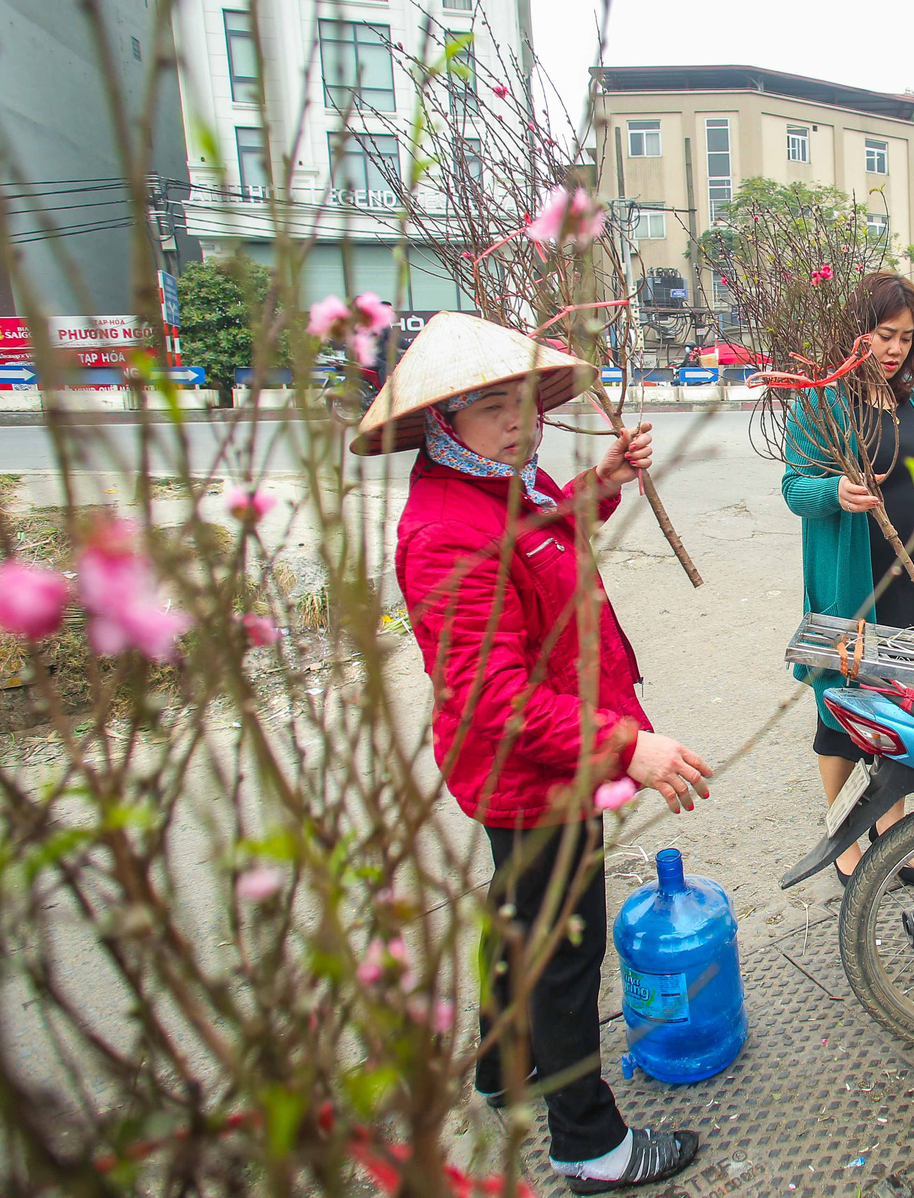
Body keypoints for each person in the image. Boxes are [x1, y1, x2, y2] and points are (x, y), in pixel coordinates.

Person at [361, 312, 708, 1194]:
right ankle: (590, 1144)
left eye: (522, 401)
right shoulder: (446, 528)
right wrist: (630, 745)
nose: (517, 422)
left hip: (545, 767)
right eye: (487, 407)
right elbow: (494, 700)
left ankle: (499, 1071)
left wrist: (601, 480)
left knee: (521, 927)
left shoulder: (500, 481)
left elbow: (549, 529)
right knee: (563, 955)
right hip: (535, 774)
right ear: (442, 420)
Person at [782, 272, 914, 886]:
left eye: (906, 338)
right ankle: (844, 838)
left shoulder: (911, 400)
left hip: (909, 577)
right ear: (856, 332)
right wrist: (836, 492)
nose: (895, 350)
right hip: (854, 583)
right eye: (884, 335)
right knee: (841, 709)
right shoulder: (823, 401)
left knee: (897, 707)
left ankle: (893, 834)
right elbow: (794, 490)